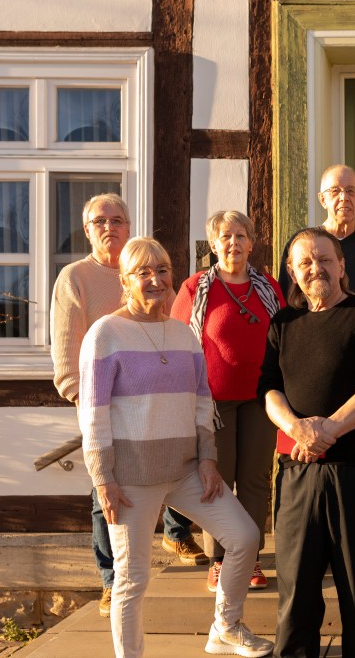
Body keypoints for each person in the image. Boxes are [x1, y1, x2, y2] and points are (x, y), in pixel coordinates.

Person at [78, 237, 272, 658]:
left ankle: (225, 627)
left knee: (244, 536)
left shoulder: (183, 333)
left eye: (162, 270)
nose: (155, 279)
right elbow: (93, 414)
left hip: (185, 470)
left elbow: (203, 402)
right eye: (143, 272)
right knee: (133, 579)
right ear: (125, 281)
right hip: (131, 478)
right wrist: (103, 479)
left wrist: (208, 458)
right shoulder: (106, 334)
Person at [50, 193, 205, 619]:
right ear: (87, 229)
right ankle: (110, 580)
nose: (109, 227)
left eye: (117, 219)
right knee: (108, 490)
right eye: (100, 221)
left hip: (152, 391)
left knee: (173, 457)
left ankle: (176, 533)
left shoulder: (145, 269)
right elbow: (66, 346)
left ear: (128, 224)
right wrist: (85, 401)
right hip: (104, 398)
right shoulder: (75, 277)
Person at [259, 228, 355, 658]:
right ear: (292, 271)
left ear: (342, 265)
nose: (316, 268)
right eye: (305, 262)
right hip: (297, 474)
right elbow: (268, 388)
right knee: (296, 593)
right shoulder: (283, 323)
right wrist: (298, 428)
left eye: (325, 259)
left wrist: (326, 432)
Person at [171, 210, 285, 593]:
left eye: (240, 236)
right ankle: (220, 561)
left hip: (260, 399)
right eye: (225, 236)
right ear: (214, 245)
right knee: (217, 482)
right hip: (213, 403)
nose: (233, 243)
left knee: (254, 480)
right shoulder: (194, 288)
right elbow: (177, 343)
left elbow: (284, 338)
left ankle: (250, 557)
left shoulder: (269, 287)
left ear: (251, 243)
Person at [278, 164, 355, 300]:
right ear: (322, 199)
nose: (344, 197)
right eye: (335, 191)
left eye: (351, 191)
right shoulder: (302, 244)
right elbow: (285, 297)